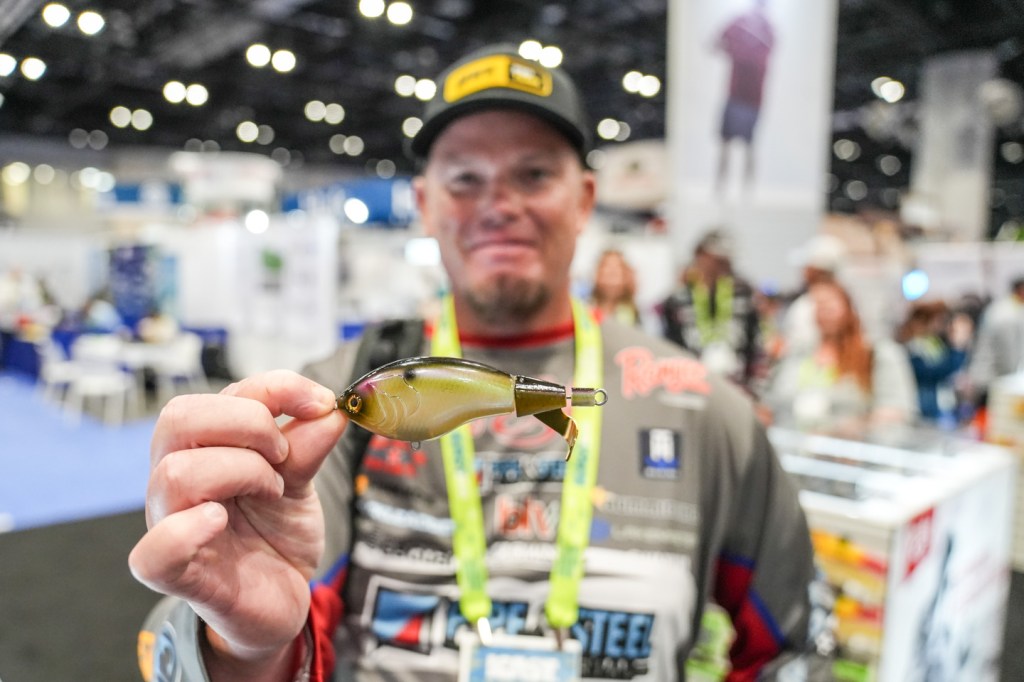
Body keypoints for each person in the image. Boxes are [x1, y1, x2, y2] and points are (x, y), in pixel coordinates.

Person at [129, 44, 819, 681]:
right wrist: (246, 647)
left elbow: (792, 649)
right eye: (465, 178)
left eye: (534, 174)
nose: (499, 205)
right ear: (425, 205)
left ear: (584, 199)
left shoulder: (699, 406)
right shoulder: (340, 395)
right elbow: (272, 628)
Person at [765, 280, 917, 437]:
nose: (823, 312)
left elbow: (898, 411)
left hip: (854, 447)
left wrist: (851, 427)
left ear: (848, 308)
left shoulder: (878, 354)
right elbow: (774, 401)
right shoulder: (797, 354)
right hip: (794, 443)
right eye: (817, 305)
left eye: (829, 305)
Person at [658, 229, 763, 392]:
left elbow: (754, 344)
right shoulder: (677, 300)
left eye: (725, 261)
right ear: (700, 255)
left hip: (736, 385)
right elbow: (670, 347)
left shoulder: (743, 295)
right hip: (691, 384)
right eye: (716, 259)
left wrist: (754, 388)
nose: (720, 266)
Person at [714, 0, 776, 195]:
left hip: (753, 98)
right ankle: (720, 189)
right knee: (726, 143)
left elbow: (766, 54)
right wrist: (733, 49)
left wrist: (739, 51)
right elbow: (717, 43)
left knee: (749, 146)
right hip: (735, 94)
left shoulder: (767, 30)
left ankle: (747, 192)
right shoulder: (739, 23)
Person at [896, 301, 972, 424]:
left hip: (940, 403)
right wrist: (957, 347)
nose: (941, 325)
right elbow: (934, 373)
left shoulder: (933, 342)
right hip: (925, 407)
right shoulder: (913, 346)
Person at [967, 275, 1024, 405]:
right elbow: (1008, 354)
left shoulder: (1008, 308)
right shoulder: (1006, 314)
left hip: (994, 377)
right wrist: (1014, 381)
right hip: (991, 379)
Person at [588, 248, 640, 326]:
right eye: (606, 270)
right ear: (597, 274)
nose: (611, 280)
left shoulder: (633, 314)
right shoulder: (586, 309)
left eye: (615, 273)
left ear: (626, 277)